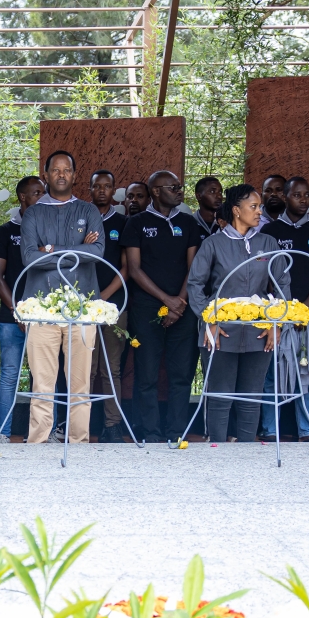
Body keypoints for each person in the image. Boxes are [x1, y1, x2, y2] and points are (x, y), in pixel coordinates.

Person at [187, 185, 288, 441]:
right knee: (220, 396)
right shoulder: (213, 243)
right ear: (236, 211)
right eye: (253, 207)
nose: (259, 212)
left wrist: (276, 323)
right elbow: (195, 285)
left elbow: (282, 285)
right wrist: (208, 320)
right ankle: (217, 451)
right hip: (221, 330)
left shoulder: (268, 242)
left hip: (259, 330)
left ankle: (246, 455)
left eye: (260, 207)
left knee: (251, 398)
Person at [20, 150, 104, 444]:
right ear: (46, 174)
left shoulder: (89, 211)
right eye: (55, 170)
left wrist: (52, 252)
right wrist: (77, 248)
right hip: (41, 310)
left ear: (74, 175)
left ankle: (78, 443)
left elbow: (98, 252)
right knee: (42, 385)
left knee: (80, 385)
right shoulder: (33, 213)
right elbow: (30, 258)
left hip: (81, 310)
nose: (61, 174)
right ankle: (38, 443)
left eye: (67, 169)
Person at [121, 170, 203, 443]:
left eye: (180, 187)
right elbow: (133, 268)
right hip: (146, 308)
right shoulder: (137, 223)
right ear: (156, 192)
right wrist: (165, 301)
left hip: (184, 309)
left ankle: (176, 432)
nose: (179, 191)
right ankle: (150, 434)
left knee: (181, 374)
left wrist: (179, 303)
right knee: (146, 374)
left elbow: (194, 268)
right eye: (173, 187)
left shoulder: (189, 223)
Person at [258, 175, 309, 441]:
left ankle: (307, 431)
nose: (303, 200)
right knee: (270, 376)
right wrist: (281, 311)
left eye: (307, 195)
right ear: (285, 197)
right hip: (276, 315)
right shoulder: (270, 232)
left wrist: (305, 310)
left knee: (306, 374)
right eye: (297, 195)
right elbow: (264, 276)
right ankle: (269, 430)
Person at [0, 176, 45, 443]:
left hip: (45, 317)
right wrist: (17, 310)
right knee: (10, 375)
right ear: (22, 197)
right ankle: (3, 433)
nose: (42, 197)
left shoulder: (50, 231)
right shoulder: (5, 231)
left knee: (44, 377)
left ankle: (41, 434)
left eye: (43, 193)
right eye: (36, 193)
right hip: (12, 318)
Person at [88, 170, 129, 443]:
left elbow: (127, 267)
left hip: (114, 305)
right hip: (83, 306)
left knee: (111, 368)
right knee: (85, 368)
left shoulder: (123, 222)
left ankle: (113, 425)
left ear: (114, 190)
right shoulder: (81, 218)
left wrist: (105, 294)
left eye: (107, 186)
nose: (102, 190)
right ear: (89, 189)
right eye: (97, 186)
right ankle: (79, 423)